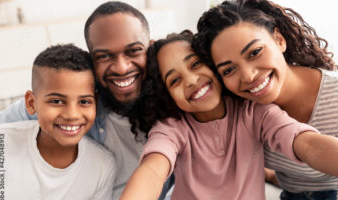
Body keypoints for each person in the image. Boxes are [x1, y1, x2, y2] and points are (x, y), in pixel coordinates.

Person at [120, 31, 338, 200]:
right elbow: (153, 170)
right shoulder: (171, 128)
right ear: (167, 96)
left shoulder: (253, 111)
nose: (192, 80)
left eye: (195, 64)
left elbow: (305, 143)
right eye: (174, 80)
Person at [0, 2, 172, 199]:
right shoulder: (71, 101)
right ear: (91, 62)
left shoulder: (174, 107)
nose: (121, 68)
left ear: (150, 49)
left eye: (133, 51)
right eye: (104, 56)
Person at [192, 0, 338, 199]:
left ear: (279, 40)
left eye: (254, 52)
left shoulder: (335, 95)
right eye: (229, 69)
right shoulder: (243, 110)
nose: (249, 76)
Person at [0, 44, 116, 199]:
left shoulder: (102, 166)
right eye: (57, 101)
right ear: (31, 103)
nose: (72, 115)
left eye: (84, 102)